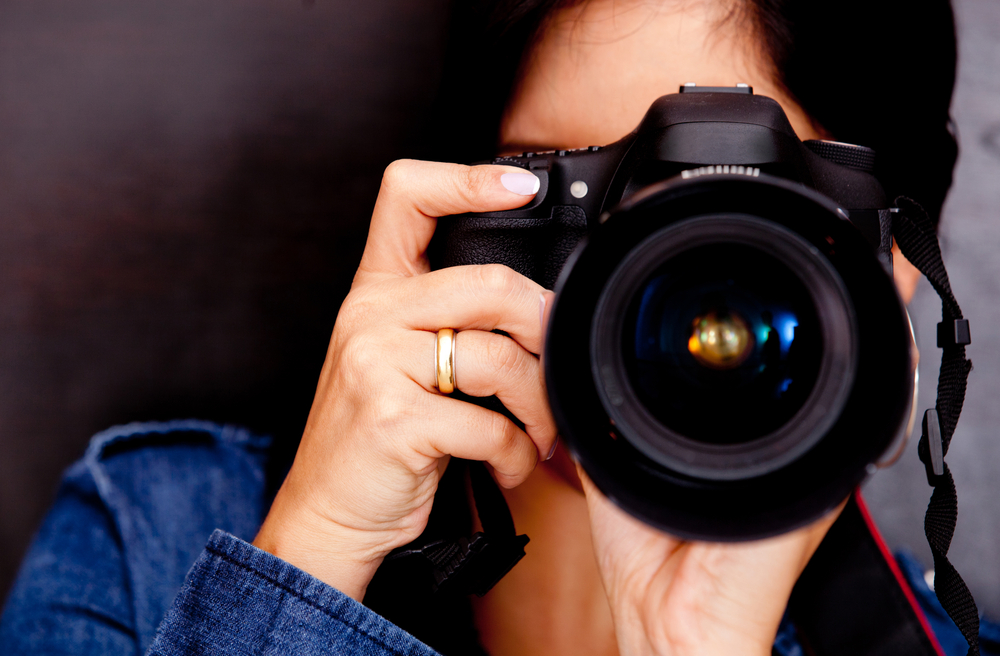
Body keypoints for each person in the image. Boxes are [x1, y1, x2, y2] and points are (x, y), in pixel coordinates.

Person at [0, 0, 972, 654]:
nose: (636, 289)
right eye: (567, 182)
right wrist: (314, 558)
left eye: (713, 222)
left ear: (882, 261)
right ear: (468, 205)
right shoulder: (149, 534)